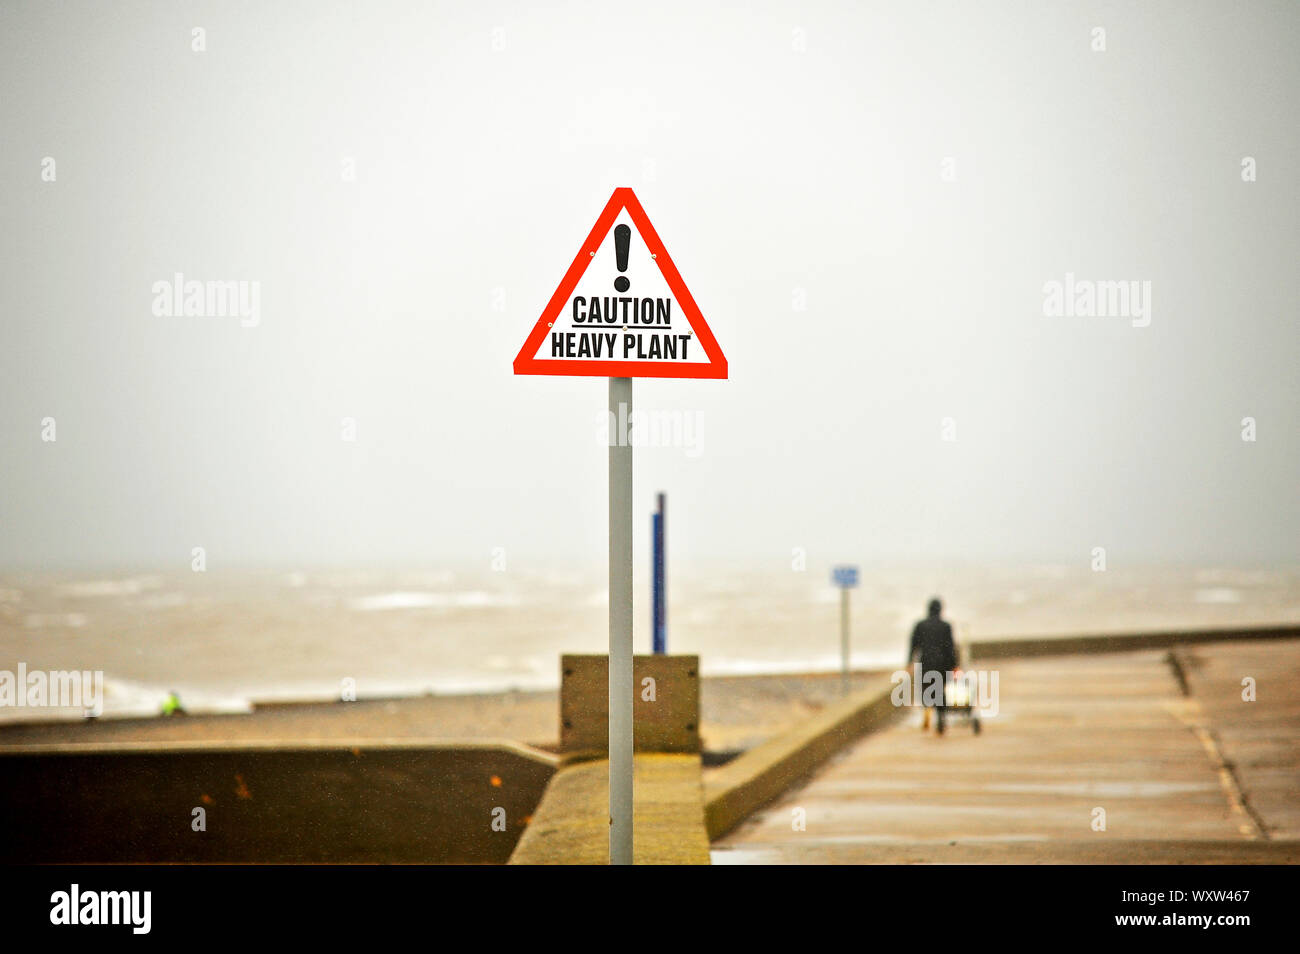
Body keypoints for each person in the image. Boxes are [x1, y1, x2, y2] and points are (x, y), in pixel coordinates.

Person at [908, 598, 957, 735]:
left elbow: (913, 644)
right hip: (943, 664)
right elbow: (951, 648)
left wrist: (909, 661)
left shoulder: (920, 625)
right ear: (940, 609)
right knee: (941, 691)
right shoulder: (946, 626)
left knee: (927, 689)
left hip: (926, 664)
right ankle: (941, 717)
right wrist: (955, 665)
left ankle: (927, 710)